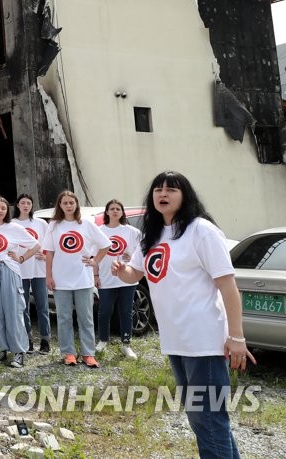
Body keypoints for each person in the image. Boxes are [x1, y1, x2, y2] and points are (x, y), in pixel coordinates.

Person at [111, 171, 254, 459]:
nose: (162, 194)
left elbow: (228, 286)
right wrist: (120, 270)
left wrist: (236, 337)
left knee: (208, 420)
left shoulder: (201, 230)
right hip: (175, 340)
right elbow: (135, 274)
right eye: (158, 190)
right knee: (205, 420)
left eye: (171, 190)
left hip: (204, 340)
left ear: (185, 195)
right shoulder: (151, 234)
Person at [42, 190, 109, 369]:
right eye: (65, 203)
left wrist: (95, 261)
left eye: (71, 202)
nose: (68, 206)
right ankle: (68, 353)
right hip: (60, 279)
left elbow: (106, 245)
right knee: (63, 317)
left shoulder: (86, 223)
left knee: (85, 317)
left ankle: (88, 354)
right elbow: (49, 252)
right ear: (60, 205)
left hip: (83, 279)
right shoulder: (54, 225)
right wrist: (48, 275)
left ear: (76, 204)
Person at [0, 196, 35, 367]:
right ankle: (1, 348)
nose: (0, 210)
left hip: (9, 269)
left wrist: (22, 257)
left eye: (3, 207)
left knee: (14, 311)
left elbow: (36, 245)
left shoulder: (14, 228)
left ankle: (19, 351)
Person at [97, 199, 141, 360]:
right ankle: (103, 340)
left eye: (118, 209)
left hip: (127, 279)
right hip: (106, 278)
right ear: (107, 212)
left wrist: (132, 257)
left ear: (122, 212)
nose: (115, 211)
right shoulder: (99, 231)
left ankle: (126, 344)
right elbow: (94, 255)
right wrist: (95, 275)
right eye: (112, 208)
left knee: (126, 312)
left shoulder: (132, 232)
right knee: (104, 312)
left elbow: (140, 253)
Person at [12, 194, 50, 354]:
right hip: (20, 270)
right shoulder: (12, 224)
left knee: (43, 306)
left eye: (29, 203)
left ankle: (45, 340)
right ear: (18, 205)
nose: (26, 205)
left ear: (32, 205)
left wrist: (46, 255)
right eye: (23, 203)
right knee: (23, 307)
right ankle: (27, 339)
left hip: (39, 269)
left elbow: (49, 242)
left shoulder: (40, 223)